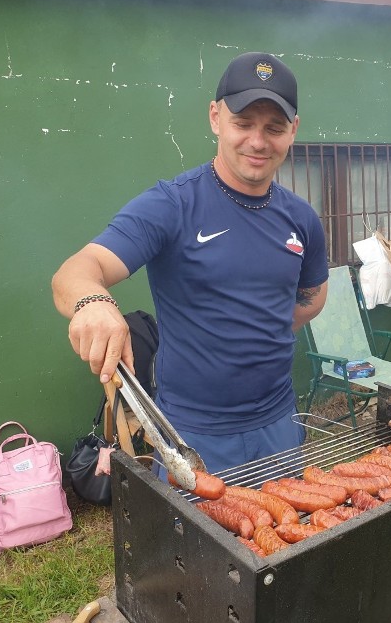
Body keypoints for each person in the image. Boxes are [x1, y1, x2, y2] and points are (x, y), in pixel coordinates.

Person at [51, 52, 329, 476]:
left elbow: (311, 297)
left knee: (291, 539)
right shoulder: (172, 204)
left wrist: (258, 326)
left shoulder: (302, 218)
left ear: (293, 131)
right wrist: (92, 302)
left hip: (279, 426)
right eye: (243, 124)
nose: (258, 141)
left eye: (274, 128)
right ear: (215, 117)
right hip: (195, 435)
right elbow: (76, 270)